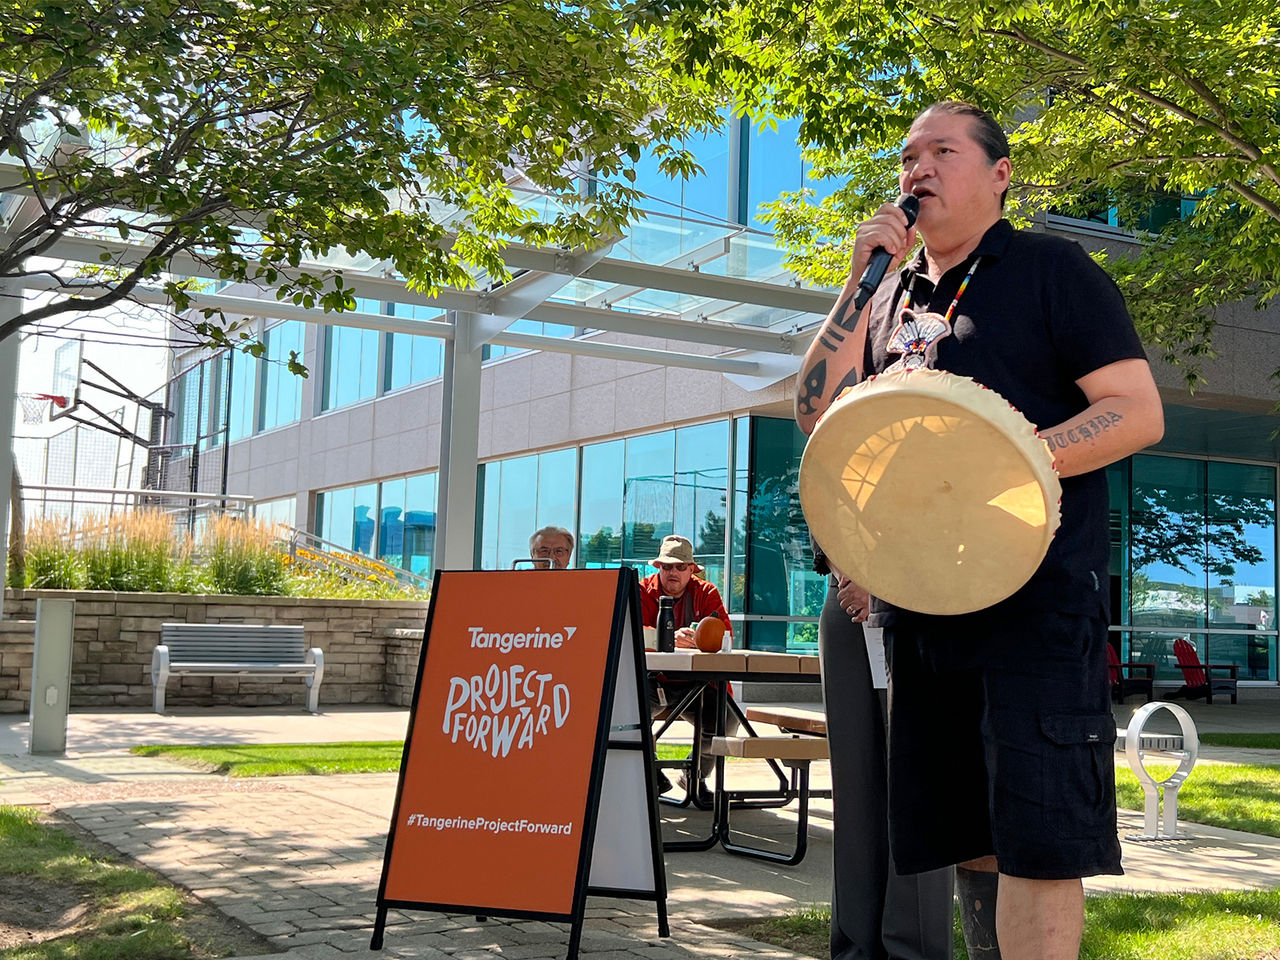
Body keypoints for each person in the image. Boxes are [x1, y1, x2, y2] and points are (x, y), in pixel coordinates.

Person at [795, 101, 1165, 960]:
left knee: (1039, 836)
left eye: (942, 151)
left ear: (999, 174)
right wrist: (858, 282)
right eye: (907, 156)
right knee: (969, 827)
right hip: (927, 604)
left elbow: (1135, 412)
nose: (917, 168)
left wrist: (1014, 461)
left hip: (1036, 600)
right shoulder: (887, 295)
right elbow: (818, 414)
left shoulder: (1050, 270)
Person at [814, 542, 955, 960]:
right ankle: (856, 948)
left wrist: (882, 585)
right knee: (855, 787)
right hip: (846, 598)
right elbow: (820, 496)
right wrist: (848, 575)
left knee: (919, 785)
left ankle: (914, 950)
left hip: (922, 593)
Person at [639, 534, 736, 803]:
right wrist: (665, 636)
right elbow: (629, 630)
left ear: (692, 570)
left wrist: (698, 639)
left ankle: (694, 775)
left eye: (681, 567)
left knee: (726, 719)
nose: (673, 572)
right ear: (658, 567)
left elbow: (725, 634)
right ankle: (648, 773)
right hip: (651, 680)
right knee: (626, 714)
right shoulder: (641, 591)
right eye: (667, 566)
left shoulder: (706, 593)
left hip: (699, 683)